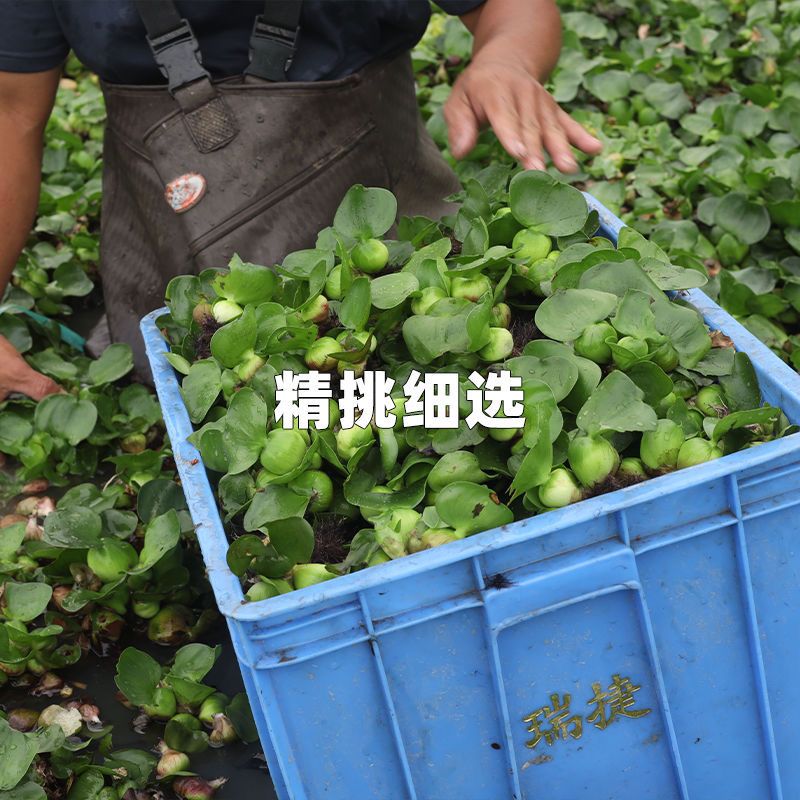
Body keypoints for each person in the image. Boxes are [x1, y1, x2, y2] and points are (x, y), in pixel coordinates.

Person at [0, 0, 602, 389]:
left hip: (385, 229)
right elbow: (12, 114)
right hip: (165, 236)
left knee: (429, 376)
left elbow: (512, 9)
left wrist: (506, 59)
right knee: (196, 391)